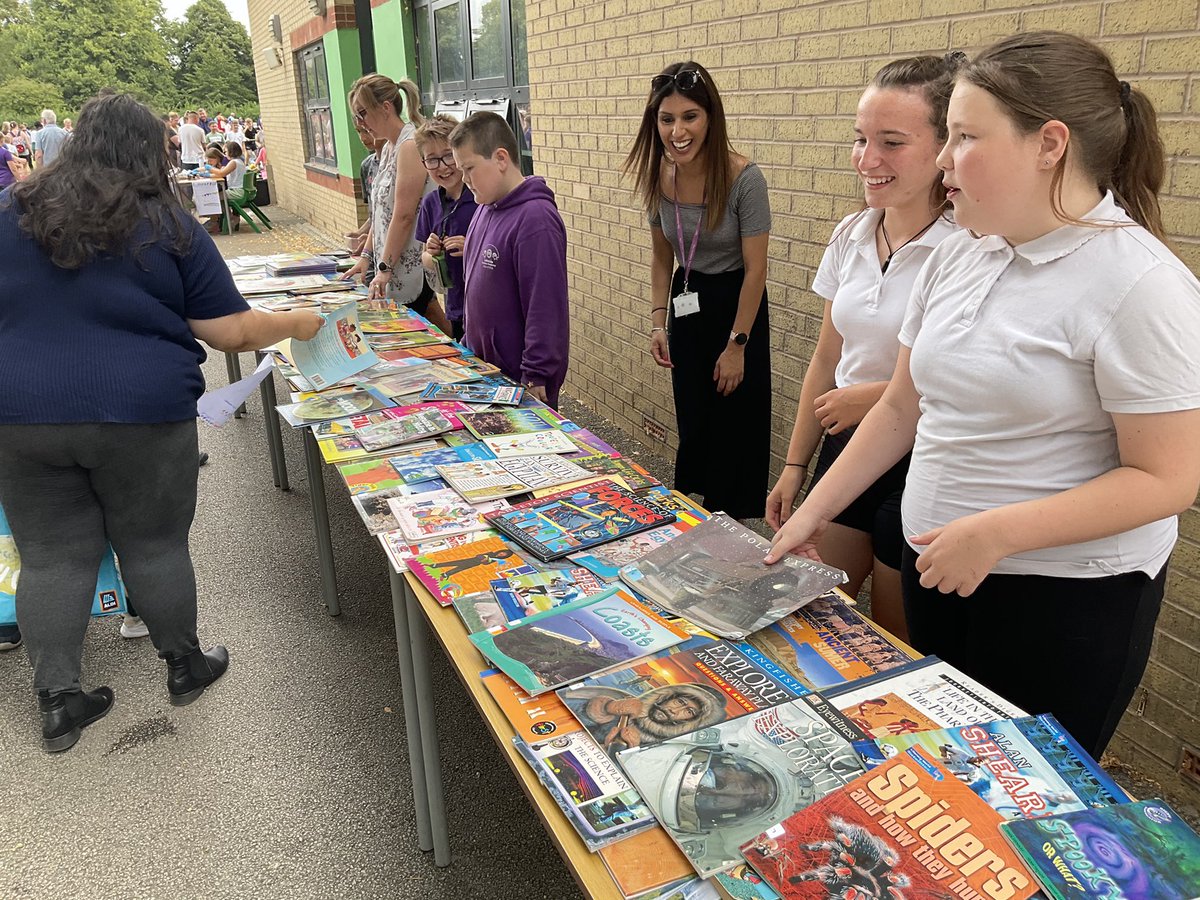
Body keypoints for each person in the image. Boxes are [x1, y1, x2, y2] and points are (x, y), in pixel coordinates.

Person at [768, 31, 1200, 758]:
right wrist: (812, 509)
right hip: (946, 572)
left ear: (1049, 145)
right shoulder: (965, 250)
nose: (942, 161)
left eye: (964, 137)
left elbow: (1168, 478)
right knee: (942, 767)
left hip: (1061, 602)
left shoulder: (1140, 285)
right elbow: (903, 408)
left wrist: (997, 532)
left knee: (1025, 795)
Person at [0, 92, 323, 753]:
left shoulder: (13, 213)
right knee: (155, 545)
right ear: (149, 149)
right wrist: (296, 323)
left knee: (52, 558)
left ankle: (59, 703)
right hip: (144, 414)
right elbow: (229, 330)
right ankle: (184, 666)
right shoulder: (168, 225)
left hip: (22, 415)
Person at [765, 55, 963, 641]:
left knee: (891, 637)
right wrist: (795, 465)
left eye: (892, 142)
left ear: (944, 146)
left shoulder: (966, 247)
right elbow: (826, 359)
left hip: (922, 457)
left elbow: (964, 379)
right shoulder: (851, 235)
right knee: (817, 621)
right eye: (861, 139)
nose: (868, 160)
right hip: (848, 448)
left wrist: (873, 398)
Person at [625, 61, 772, 520]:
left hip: (736, 309)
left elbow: (756, 270)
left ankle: (730, 535)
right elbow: (661, 256)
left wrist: (737, 345)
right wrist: (657, 321)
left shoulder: (744, 179)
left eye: (689, 116)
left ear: (710, 117)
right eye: (666, 119)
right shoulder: (657, 175)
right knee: (695, 426)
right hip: (686, 304)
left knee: (733, 430)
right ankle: (693, 525)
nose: (677, 130)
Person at [450, 111, 569, 407]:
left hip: (521, 380)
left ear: (501, 159)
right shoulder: (484, 207)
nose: (464, 180)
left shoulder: (536, 219)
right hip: (485, 372)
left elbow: (544, 305)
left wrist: (537, 373)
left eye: (469, 168)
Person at [343, 74, 453, 335]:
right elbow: (381, 211)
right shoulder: (389, 147)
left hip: (410, 263)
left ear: (385, 108)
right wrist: (367, 257)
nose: (360, 123)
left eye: (362, 113)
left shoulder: (408, 146)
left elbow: (403, 215)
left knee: (424, 327)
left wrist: (384, 268)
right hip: (394, 261)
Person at [416, 114, 479, 342]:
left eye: (447, 156)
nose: (442, 167)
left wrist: (471, 247)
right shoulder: (431, 203)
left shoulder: (480, 196)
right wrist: (432, 254)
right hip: (456, 308)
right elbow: (424, 258)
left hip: (487, 308)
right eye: (431, 160)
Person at [345, 121, 384, 261]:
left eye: (366, 131)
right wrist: (359, 233)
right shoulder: (366, 166)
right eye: (359, 131)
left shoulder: (397, 163)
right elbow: (375, 214)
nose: (363, 138)